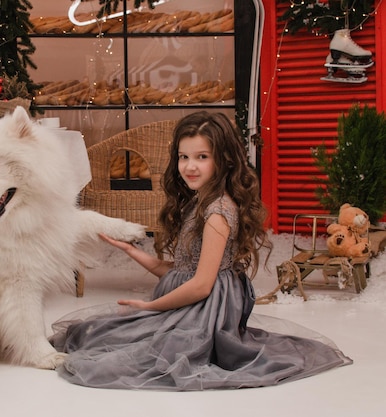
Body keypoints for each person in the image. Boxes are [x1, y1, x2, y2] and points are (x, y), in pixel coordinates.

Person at [50, 111, 351, 391]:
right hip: (191, 298)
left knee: (124, 350)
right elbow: (180, 271)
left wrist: (150, 308)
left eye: (202, 157)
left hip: (205, 312)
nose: (189, 166)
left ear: (224, 160)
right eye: (184, 157)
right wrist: (130, 249)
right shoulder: (199, 201)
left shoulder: (218, 211)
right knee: (98, 332)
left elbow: (201, 284)